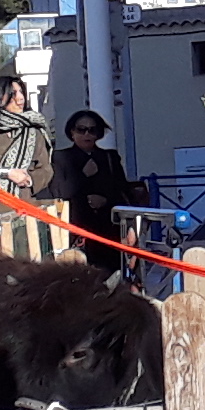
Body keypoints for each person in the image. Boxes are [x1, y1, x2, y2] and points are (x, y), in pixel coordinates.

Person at [47, 109, 140, 281]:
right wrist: (83, 175)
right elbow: (59, 191)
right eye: (81, 129)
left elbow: (122, 190)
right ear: (72, 132)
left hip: (108, 229)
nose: (87, 135)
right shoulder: (61, 157)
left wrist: (105, 200)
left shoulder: (109, 157)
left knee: (112, 276)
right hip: (77, 227)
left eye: (92, 130)